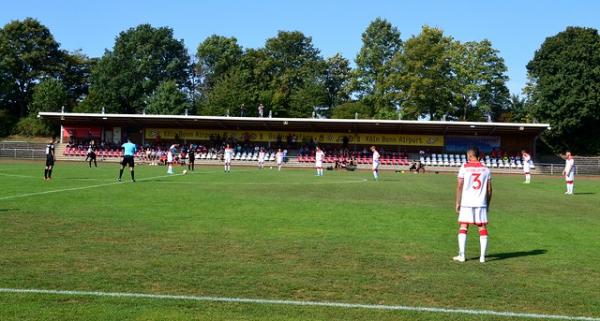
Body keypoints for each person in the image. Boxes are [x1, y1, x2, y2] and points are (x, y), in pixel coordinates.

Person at [453, 147, 492, 263]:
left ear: (469, 155)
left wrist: (457, 202)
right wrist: (487, 204)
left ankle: (462, 255)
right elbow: (489, 190)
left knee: (464, 226)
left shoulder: (464, 167)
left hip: (466, 203)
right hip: (481, 203)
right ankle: (482, 257)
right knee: (482, 227)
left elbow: (459, 186)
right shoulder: (486, 169)